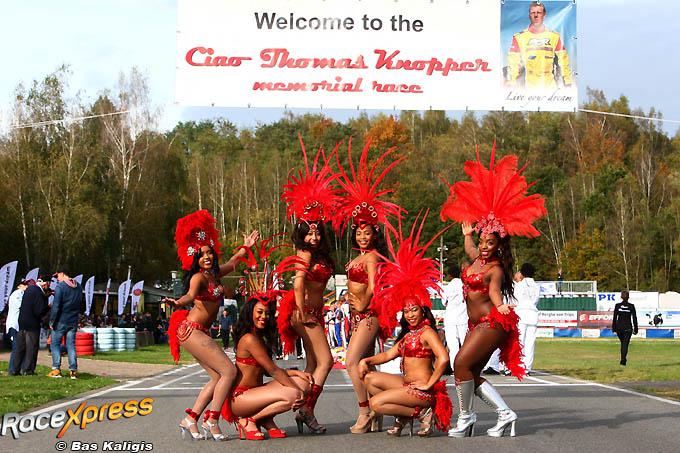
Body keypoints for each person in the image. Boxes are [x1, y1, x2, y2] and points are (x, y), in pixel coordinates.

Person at [440, 143, 546, 438]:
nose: (484, 246)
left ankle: (466, 417)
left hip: (492, 322)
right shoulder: (478, 258)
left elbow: (496, 290)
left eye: (490, 242)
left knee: (460, 363)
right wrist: (466, 235)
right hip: (478, 325)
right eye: (482, 241)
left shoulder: (495, 268)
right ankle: (504, 414)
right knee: (469, 373)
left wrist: (499, 305)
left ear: (499, 245)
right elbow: (471, 250)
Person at [165, 209, 259, 441]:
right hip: (192, 330)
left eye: (209, 252)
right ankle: (212, 419)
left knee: (218, 377)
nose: (206, 257)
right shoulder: (198, 277)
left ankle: (191, 418)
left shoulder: (215, 275)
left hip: (200, 332)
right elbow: (189, 296)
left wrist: (246, 247)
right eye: (201, 255)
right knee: (229, 371)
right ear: (195, 260)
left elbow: (233, 262)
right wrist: (177, 302)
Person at [333, 138, 404, 433]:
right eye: (359, 233)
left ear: (375, 234)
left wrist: (362, 303)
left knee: (352, 362)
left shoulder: (373, 257)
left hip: (368, 315)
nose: (362, 237)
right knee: (365, 365)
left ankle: (364, 411)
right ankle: (378, 410)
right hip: (357, 316)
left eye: (367, 233)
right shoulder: (358, 257)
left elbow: (374, 287)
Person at [358, 216, 452, 437]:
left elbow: (444, 358)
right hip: (406, 385)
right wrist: (366, 361)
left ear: (423, 310)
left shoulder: (427, 332)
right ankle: (405, 414)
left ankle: (421, 412)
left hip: (421, 390)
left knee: (376, 404)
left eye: (414, 310)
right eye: (406, 311)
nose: (410, 315)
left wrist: (430, 384)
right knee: (369, 378)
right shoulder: (409, 333)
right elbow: (388, 354)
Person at [277, 140, 340, 434]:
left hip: (314, 313)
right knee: (326, 361)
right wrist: (302, 311)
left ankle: (300, 403)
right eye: (309, 233)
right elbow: (298, 281)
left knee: (313, 363)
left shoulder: (319, 254)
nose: (313, 237)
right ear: (301, 234)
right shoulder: (303, 254)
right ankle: (305, 408)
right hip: (305, 313)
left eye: (317, 233)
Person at [221, 241, 313, 440]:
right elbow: (272, 370)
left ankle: (262, 418)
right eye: (260, 312)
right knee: (295, 394)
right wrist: (297, 390)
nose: (264, 317)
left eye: (267, 313)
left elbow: (266, 371)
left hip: (257, 393)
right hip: (241, 398)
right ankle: (249, 420)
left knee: (304, 384)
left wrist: (296, 374)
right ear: (250, 312)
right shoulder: (249, 338)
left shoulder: (259, 337)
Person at [506, 1, 573, 89]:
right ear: (529, 15)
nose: (536, 15)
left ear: (544, 15)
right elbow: (513, 63)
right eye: (533, 13)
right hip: (528, 87)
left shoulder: (554, 36)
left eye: (539, 12)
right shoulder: (519, 37)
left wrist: (568, 81)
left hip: (550, 87)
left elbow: (563, 61)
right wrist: (512, 82)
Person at [48, 268, 83, 379]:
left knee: (55, 344)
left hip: (60, 321)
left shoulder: (61, 287)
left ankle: (56, 369)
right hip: (73, 321)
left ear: (62, 274)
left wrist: (52, 321)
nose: (57, 279)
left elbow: (56, 306)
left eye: (57, 276)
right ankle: (73, 370)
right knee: (70, 345)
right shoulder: (79, 286)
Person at [14, 275, 50, 375]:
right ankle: (28, 370)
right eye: (48, 283)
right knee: (31, 347)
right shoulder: (38, 292)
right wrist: (48, 307)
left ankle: (15, 369)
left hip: (22, 322)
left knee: (20, 347)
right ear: (45, 283)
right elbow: (39, 311)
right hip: (32, 323)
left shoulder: (30, 289)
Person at [513, 264, 540, 375]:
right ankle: (527, 368)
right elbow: (536, 300)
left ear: (522, 273)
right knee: (530, 342)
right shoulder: (536, 286)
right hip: (532, 314)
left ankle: (518, 366)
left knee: (520, 341)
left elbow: (515, 300)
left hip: (521, 314)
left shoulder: (519, 285)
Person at [442, 264, 467, 373]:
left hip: (450, 319)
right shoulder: (464, 285)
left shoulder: (447, 287)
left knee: (453, 346)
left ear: (450, 276)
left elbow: (444, 302)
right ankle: (466, 366)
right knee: (465, 344)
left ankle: (455, 368)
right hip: (463, 318)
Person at [6, 280, 29, 376]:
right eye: (25, 284)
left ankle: (19, 369)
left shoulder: (22, 294)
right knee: (16, 347)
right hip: (14, 325)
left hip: (18, 325)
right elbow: (21, 306)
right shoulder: (16, 294)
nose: (27, 286)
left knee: (21, 347)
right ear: (19, 286)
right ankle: (12, 369)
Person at [612, 290, 638, 366]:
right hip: (628, 328)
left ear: (621, 297)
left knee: (623, 343)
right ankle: (623, 360)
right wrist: (636, 329)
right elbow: (634, 318)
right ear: (628, 297)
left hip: (619, 328)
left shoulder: (617, 306)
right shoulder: (631, 306)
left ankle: (623, 359)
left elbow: (614, 318)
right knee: (625, 344)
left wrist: (614, 328)